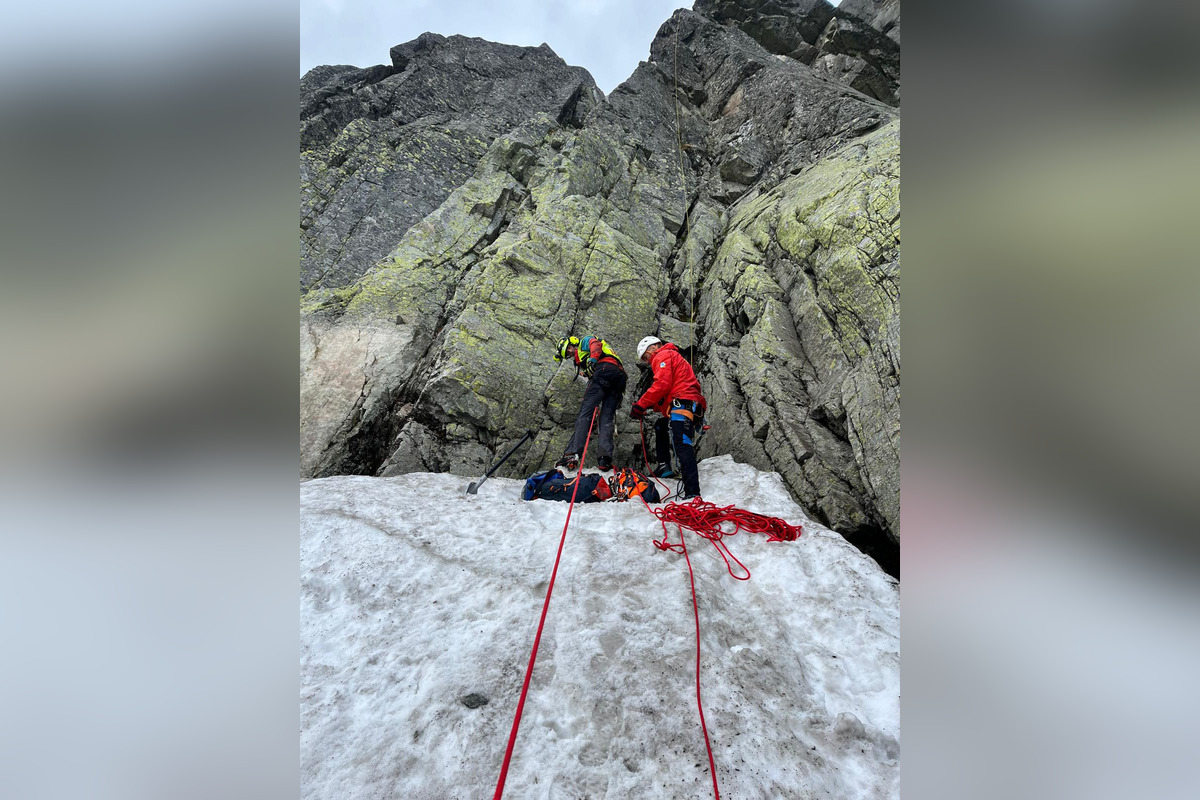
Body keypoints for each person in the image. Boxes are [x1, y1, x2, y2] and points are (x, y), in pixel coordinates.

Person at [630, 336, 707, 499]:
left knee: (682, 444)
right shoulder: (671, 356)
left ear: (653, 348)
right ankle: (664, 465)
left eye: (645, 356)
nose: (647, 361)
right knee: (660, 425)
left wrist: (641, 404)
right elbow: (668, 391)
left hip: (683, 403)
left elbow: (661, 384)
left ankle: (692, 492)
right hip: (688, 403)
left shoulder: (663, 355)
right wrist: (651, 405)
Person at [553, 335, 627, 472]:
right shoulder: (595, 356)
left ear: (573, 343)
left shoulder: (584, 342)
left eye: (569, 348)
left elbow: (595, 345)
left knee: (585, 414)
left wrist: (592, 360)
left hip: (604, 370)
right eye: (567, 353)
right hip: (619, 377)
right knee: (606, 418)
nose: (570, 352)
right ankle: (605, 459)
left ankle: (572, 454)